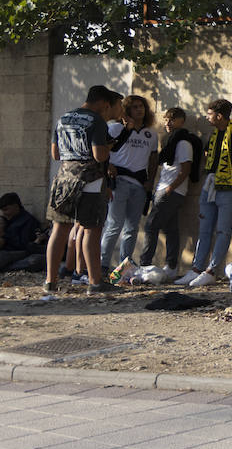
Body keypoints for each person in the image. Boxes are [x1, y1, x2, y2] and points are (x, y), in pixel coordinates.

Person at [44, 84, 123, 293]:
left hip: (63, 179)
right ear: (105, 104)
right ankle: (95, 282)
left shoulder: (63, 118)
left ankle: (50, 281)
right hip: (90, 181)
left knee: (59, 229)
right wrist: (108, 147)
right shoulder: (96, 120)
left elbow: (55, 154)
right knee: (91, 230)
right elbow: (99, 156)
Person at [179, 98, 232, 287]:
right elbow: (207, 156)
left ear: (219, 116)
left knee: (223, 230)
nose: (207, 116)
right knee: (204, 229)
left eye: (210, 113)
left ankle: (211, 270)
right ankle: (196, 268)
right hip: (211, 184)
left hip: (230, 186)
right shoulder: (214, 135)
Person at [100, 95, 158, 270]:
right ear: (126, 110)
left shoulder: (151, 134)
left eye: (141, 106)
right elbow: (103, 149)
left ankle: (124, 267)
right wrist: (108, 165)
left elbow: (153, 159)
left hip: (139, 184)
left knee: (132, 228)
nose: (139, 110)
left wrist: (150, 180)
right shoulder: (115, 128)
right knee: (114, 225)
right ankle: (102, 265)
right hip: (119, 181)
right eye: (134, 107)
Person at [137, 107, 199, 269]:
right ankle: (171, 266)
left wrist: (170, 188)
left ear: (181, 121)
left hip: (172, 191)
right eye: (166, 119)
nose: (168, 123)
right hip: (164, 189)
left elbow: (186, 169)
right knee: (170, 229)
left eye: (172, 119)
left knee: (151, 226)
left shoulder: (183, 143)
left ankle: (145, 264)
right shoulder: (169, 141)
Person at [1, 193, 45, 273]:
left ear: (16, 206)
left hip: (19, 252)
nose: (4, 213)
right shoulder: (6, 220)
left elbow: (26, 245)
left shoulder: (28, 221)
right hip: (7, 251)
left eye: (6, 209)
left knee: (35, 261)